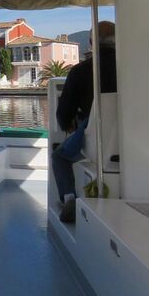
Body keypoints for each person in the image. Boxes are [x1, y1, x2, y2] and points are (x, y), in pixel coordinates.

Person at [53, 21, 117, 223]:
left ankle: (70, 199)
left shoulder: (81, 71)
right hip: (137, 140)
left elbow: (63, 115)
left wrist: (68, 124)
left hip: (97, 140)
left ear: (91, 42)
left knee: (60, 157)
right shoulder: (134, 69)